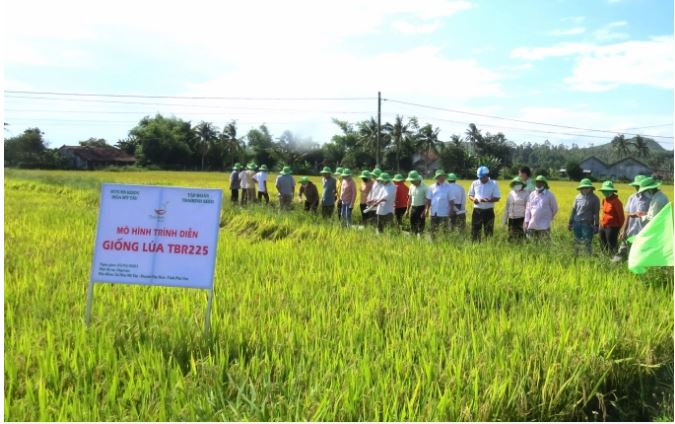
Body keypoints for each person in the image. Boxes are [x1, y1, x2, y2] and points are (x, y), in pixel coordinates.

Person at [612, 175, 649, 262]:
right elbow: (628, 215)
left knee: (638, 256)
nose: (637, 187)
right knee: (621, 253)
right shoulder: (632, 198)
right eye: (636, 186)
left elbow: (653, 215)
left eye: (639, 186)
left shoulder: (650, 199)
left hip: (642, 233)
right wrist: (624, 230)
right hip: (630, 232)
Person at [568, 178, 600, 256]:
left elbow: (596, 213)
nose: (585, 189)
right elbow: (573, 210)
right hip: (576, 223)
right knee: (576, 242)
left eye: (587, 187)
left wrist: (596, 225)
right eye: (583, 188)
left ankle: (588, 259)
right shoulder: (577, 197)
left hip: (588, 225)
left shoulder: (595, 199)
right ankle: (576, 258)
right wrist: (570, 222)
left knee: (587, 243)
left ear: (590, 188)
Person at [468, 166, 501, 242]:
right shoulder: (475, 183)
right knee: (475, 231)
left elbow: (497, 197)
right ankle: (475, 246)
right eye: (479, 177)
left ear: (487, 175)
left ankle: (488, 247)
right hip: (477, 211)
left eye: (482, 177)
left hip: (488, 211)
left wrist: (488, 200)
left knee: (488, 231)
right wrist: (474, 199)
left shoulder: (494, 183)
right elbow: (470, 195)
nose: (481, 179)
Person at [425, 169, 455, 237]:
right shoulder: (431, 187)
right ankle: (434, 243)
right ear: (436, 178)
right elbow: (428, 200)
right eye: (439, 177)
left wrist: (451, 210)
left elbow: (451, 200)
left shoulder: (449, 187)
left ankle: (445, 243)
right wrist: (427, 210)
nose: (441, 178)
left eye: (443, 177)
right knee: (433, 230)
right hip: (434, 212)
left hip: (444, 212)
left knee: (445, 231)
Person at [598, 181, 625, 255]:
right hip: (603, 226)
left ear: (611, 191)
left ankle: (614, 259)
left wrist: (620, 228)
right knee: (602, 243)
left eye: (606, 191)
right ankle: (604, 258)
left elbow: (621, 217)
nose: (604, 192)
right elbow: (603, 212)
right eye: (603, 191)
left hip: (612, 227)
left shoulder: (616, 202)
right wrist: (600, 223)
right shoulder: (605, 200)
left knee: (612, 245)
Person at [405, 170, 428, 235]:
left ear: (417, 179)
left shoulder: (425, 187)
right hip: (413, 208)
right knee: (412, 226)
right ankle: (413, 241)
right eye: (410, 180)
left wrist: (425, 210)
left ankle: (421, 241)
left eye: (412, 180)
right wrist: (407, 210)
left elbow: (427, 200)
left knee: (421, 227)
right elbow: (410, 199)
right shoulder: (411, 186)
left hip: (421, 208)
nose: (411, 181)